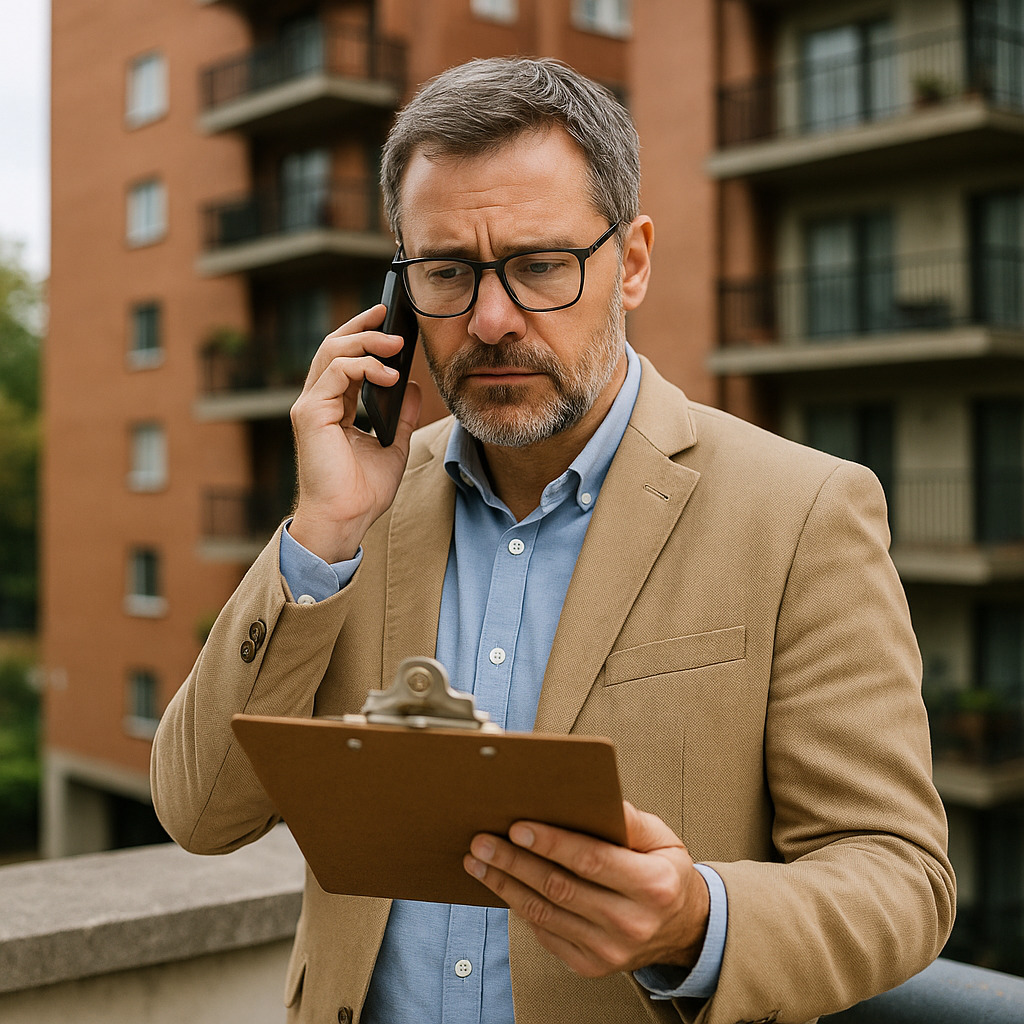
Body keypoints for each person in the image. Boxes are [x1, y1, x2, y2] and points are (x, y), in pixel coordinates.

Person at [151, 57, 954, 1024]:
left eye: (539, 266)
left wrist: (696, 922)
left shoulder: (803, 512)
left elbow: (901, 877)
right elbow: (200, 812)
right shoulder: (356, 511)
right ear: (401, 289)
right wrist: (321, 534)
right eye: (447, 272)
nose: (491, 320)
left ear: (634, 262)